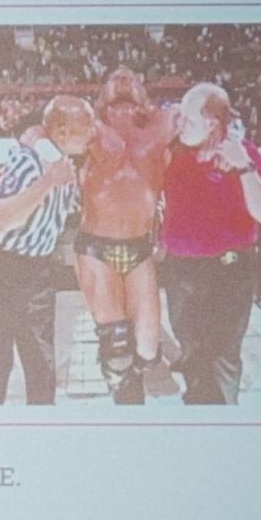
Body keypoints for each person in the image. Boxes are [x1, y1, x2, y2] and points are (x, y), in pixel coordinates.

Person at [161, 83, 261, 404]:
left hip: (228, 267)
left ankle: (222, 416)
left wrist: (243, 166)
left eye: (188, 119)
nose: (181, 125)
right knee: (191, 348)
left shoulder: (242, 152)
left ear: (212, 122)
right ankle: (200, 411)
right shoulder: (174, 152)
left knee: (223, 352)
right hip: (181, 268)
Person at [0, 95, 92, 405]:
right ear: (62, 131)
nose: (91, 135)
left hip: (36, 268)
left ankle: (41, 425)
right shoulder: (29, 161)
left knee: (40, 362)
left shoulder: (61, 159)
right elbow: (2, 219)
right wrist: (49, 182)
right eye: (84, 129)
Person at [75, 67, 178, 403]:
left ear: (144, 94)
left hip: (139, 247)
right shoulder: (87, 128)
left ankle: (128, 383)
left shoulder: (162, 126)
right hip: (96, 246)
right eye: (114, 79)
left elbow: (203, 116)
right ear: (102, 96)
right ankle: (124, 401)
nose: (122, 81)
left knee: (147, 351)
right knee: (117, 344)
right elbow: (45, 128)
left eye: (130, 77)